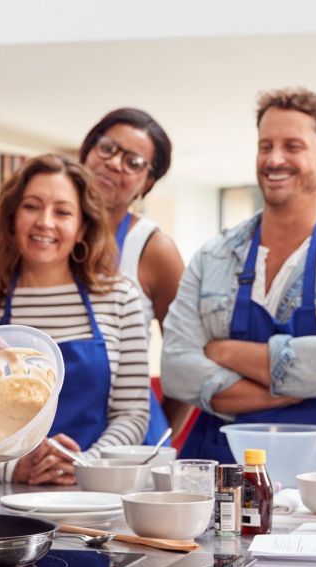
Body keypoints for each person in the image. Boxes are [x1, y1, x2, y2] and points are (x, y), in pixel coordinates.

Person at [162, 87, 316, 471]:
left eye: (292, 146)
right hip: (223, 471)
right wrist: (295, 387)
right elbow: (176, 371)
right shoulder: (213, 256)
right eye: (265, 145)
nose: (274, 159)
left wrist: (223, 352)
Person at [0, 154, 151, 493]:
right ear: (12, 217)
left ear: (83, 226)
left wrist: (85, 465)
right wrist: (12, 468)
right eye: (32, 206)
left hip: (87, 498)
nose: (45, 221)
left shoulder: (119, 298)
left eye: (63, 211)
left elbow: (132, 412)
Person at [79, 109, 188, 441]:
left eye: (133, 162)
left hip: (130, 438)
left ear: (148, 182)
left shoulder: (154, 249)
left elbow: (186, 359)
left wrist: (156, 435)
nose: (114, 163)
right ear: (88, 151)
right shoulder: (45, 236)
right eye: (108, 148)